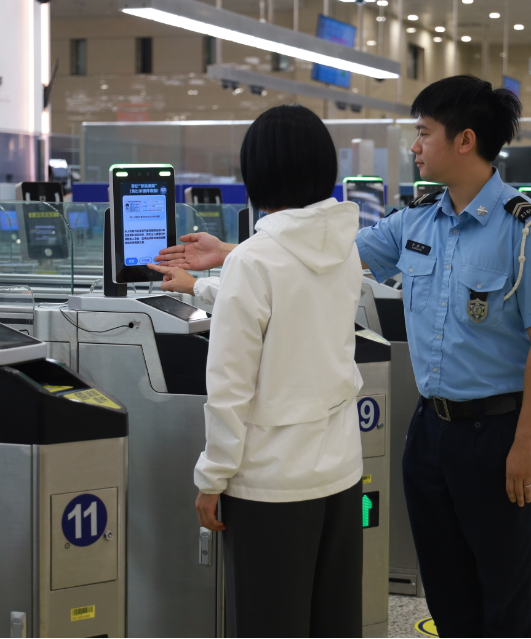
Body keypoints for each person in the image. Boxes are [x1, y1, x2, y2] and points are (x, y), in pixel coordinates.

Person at [157, 75, 531, 638]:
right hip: (431, 431)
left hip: (501, 433)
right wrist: (228, 258)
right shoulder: (417, 221)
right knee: (446, 582)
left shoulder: (525, 230)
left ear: (465, 140)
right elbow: (319, 260)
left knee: (503, 586)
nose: (415, 147)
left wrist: (527, 443)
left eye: (424, 134)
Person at [150, 105, 366, 638]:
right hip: (338, 471)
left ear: (258, 173)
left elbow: (229, 387)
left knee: (270, 623)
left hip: (270, 484)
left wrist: (212, 476)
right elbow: (293, 308)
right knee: (330, 621)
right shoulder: (342, 247)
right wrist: (203, 286)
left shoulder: (253, 259)